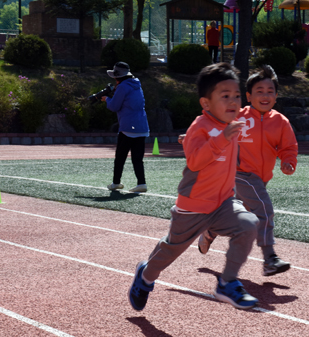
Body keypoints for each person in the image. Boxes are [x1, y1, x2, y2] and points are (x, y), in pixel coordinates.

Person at [128, 63, 259, 312]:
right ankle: (145, 276)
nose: (233, 102)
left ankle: (227, 282)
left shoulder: (233, 122)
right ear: (206, 103)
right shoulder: (200, 128)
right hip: (193, 206)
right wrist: (222, 139)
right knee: (169, 252)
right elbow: (196, 161)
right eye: (225, 96)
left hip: (222, 203)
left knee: (249, 225)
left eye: (236, 96)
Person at [197, 64, 298, 277]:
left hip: (261, 179)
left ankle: (211, 229)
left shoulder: (281, 122)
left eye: (270, 91)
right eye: (259, 91)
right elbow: (213, 124)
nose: (265, 95)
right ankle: (270, 258)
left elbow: (288, 147)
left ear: (276, 96)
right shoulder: (237, 117)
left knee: (243, 217)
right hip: (239, 174)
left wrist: (288, 162)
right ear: (249, 96)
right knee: (263, 209)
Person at [101, 61, 150, 193]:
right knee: (137, 158)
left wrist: (106, 99)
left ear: (117, 77)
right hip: (142, 126)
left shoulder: (122, 87)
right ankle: (142, 183)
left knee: (120, 157)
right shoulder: (137, 84)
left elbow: (114, 106)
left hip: (128, 127)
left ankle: (116, 182)